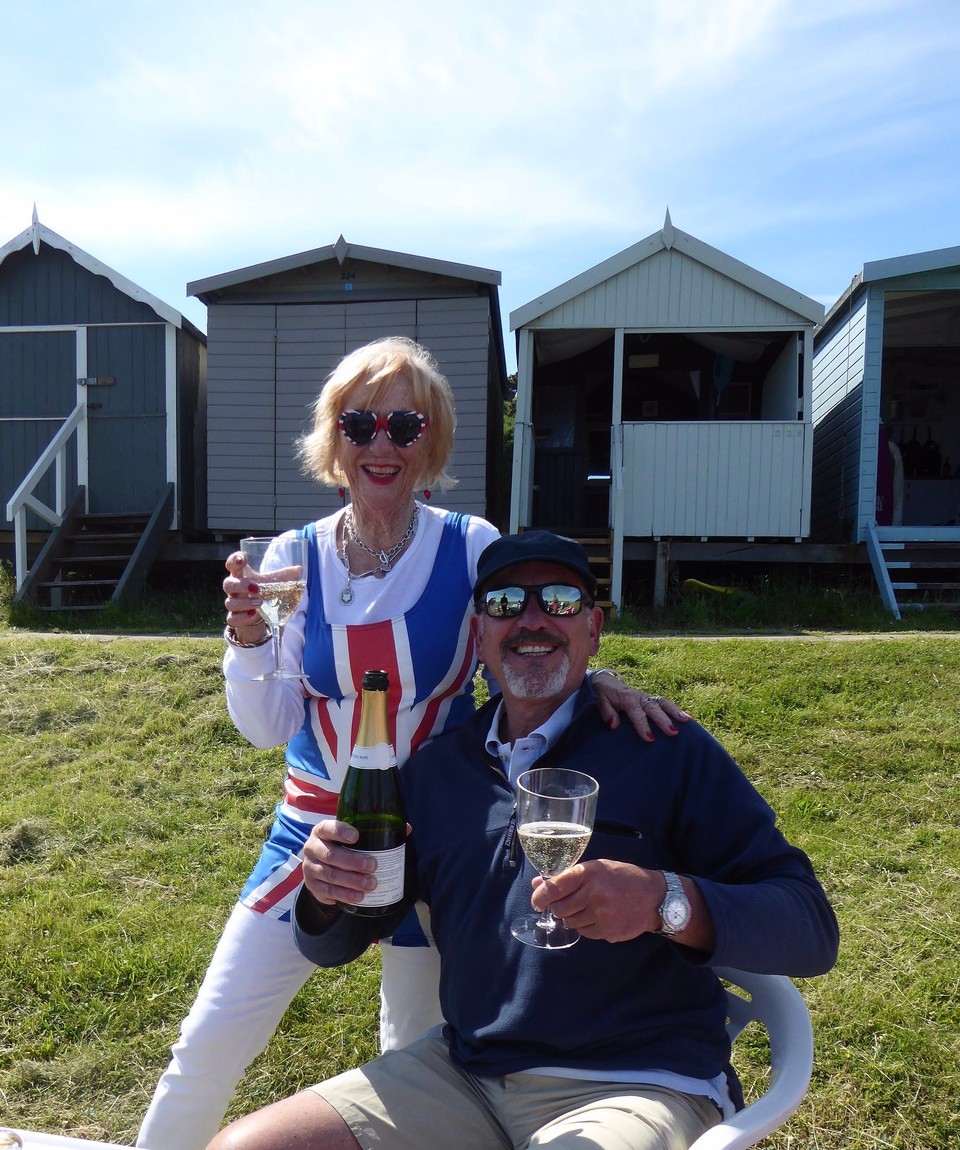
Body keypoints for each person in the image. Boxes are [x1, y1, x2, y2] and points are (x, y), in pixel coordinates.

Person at [137, 339, 686, 1150]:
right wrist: (248, 640)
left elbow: (527, 636)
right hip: (313, 833)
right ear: (334, 440)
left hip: (437, 835)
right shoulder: (290, 559)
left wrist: (597, 682)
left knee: (410, 1059)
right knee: (210, 1040)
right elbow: (267, 727)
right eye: (360, 424)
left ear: (432, 441)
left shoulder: (468, 546)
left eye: (404, 423)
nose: (382, 444)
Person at [207, 529, 840, 1150]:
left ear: (592, 629)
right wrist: (327, 892)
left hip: (638, 1081)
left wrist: (663, 901)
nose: (533, 620)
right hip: (466, 1073)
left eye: (560, 601)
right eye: (506, 604)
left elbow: (809, 927)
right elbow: (343, 937)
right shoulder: (436, 771)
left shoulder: (665, 751)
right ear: (479, 635)